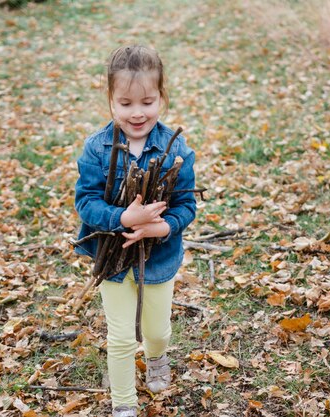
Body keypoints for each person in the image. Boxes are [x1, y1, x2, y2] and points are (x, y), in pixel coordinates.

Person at [74, 45, 197, 417]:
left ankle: (158, 357)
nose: (137, 112)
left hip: (158, 258)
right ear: (110, 101)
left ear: (162, 97)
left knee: (157, 331)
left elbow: (186, 206)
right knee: (122, 336)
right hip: (111, 259)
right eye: (125, 103)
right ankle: (124, 401)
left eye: (147, 101)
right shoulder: (97, 149)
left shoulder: (177, 151)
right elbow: (86, 202)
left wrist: (162, 226)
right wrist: (123, 219)